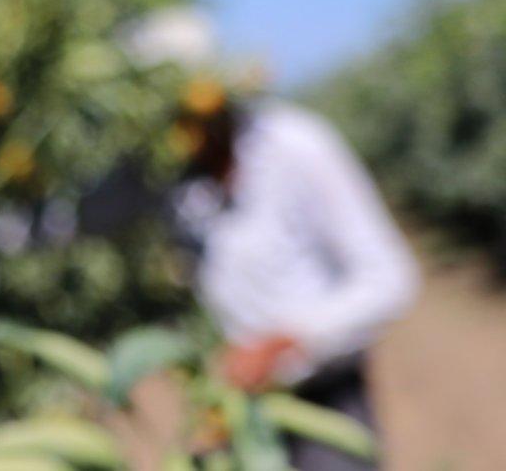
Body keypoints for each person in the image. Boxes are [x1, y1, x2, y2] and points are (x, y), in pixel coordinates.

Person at [169, 78, 419, 471]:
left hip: (323, 396)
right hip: (238, 409)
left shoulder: (295, 145)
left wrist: (284, 342)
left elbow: (389, 279)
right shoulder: (177, 177)